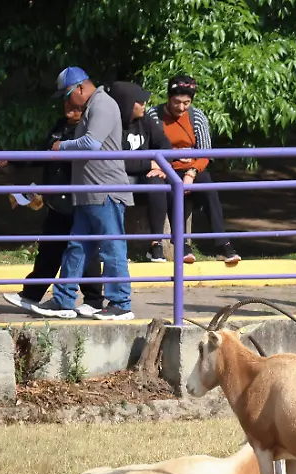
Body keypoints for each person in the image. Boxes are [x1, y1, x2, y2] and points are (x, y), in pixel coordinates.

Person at [42, 67, 137, 321]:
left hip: (105, 190)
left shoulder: (103, 105)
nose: (66, 101)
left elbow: (91, 144)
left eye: (67, 95)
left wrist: (61, 146)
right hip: (88, 191)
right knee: (77, 247)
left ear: (80, 88)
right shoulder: (93, 105)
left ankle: (120, 302)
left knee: (111, 247)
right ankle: (63, 300)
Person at [0, 101, 105, 318]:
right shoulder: (60, 126)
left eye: (76, 107)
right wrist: (13, 160)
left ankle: (93, 299)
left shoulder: (86, 132)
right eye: (67, 105)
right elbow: (43, 154)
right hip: (57, 199)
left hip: (77, 198)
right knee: (51, 247)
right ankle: (32, 294)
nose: (69, 109)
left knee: (82, 250)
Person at [146, 74, 240, 265]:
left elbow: (205, 153)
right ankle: (181, 244)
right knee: (173, 192)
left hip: (193, 169)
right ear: (168, 97)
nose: (181, 108)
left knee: (209, 190)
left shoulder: (197, 117)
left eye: (186, 103)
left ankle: (223, 243)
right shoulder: (153, 116)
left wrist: (191, 173)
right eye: (177, 102)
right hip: (166, 169)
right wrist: (168, 163)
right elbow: (149, 147)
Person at [108, 81, 174, 263]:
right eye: (139, 101)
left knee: (158, 184)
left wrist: (160, 165)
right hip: (119, 178)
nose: (144, 104)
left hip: (144, 176)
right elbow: (116, 162)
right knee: (114, 187)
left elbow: (165, 144)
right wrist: (148, 164)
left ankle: (156, 243)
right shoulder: (110, 126)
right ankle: (113, 246)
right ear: (128, 104)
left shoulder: (145, 120)